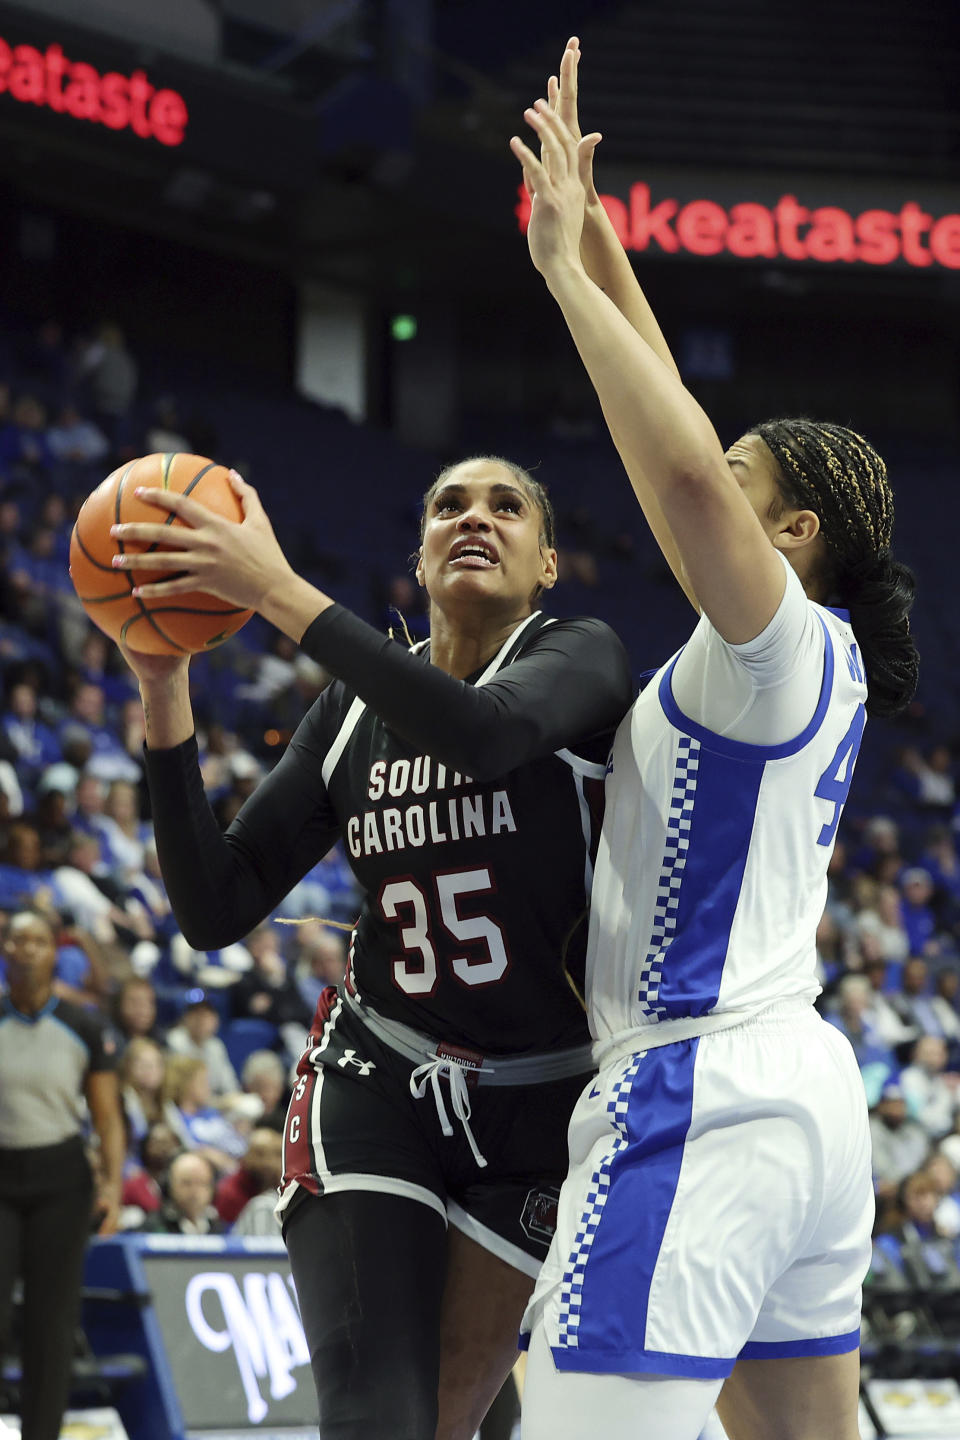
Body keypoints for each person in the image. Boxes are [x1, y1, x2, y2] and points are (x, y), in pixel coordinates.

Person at [508, 36, 918, 1440]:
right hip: (802, 1090)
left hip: (701, 1088)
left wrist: (563, 273)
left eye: (749, 490)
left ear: (789, 535)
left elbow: (679, 461)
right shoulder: (813, 661)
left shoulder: (775, 642)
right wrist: (601, 235)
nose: (708, 487)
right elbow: (679, 425)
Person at [105, 444, 631, 1436]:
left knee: (461, 1419)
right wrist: (163, 686)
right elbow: (216, 907)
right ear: (420, 553)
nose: (473, 518)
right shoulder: (349, 713)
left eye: (506, 506)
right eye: (448, 506)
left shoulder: (582, 658)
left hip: (540, 1107)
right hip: (380, 1078)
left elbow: (483, 735)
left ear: (548, 564)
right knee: (379, 1418)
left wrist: (273, 588)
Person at [0, 908, 125, 1440]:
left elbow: (107, 1118)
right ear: (4, 950)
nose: (26, 949)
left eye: (38, 941)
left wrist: (114, 1187)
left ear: (56, 954)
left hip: (61, 1180)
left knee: (51, 1325)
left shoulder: (83, 1026)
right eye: (17, 940)